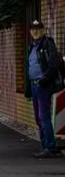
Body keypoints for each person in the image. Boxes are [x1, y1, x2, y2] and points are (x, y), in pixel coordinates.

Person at [24, 19, 63, 158]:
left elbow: (53, 65)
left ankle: (50, 147)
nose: (35, 31)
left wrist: (43, 80)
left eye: (38, 29)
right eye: (33, 29)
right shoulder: (31, 46)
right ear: (30, 31)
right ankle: (45, 145)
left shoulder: (47, 44)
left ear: (43, 30)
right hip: (34, 85)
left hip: (42, 86)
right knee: (38, 118)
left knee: (44, 117)